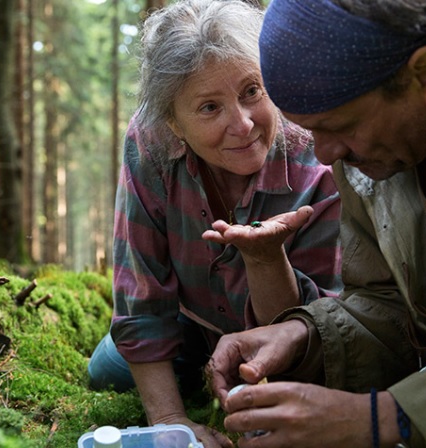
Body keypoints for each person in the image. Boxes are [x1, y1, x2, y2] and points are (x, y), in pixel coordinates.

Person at [208, 0, 426, 446]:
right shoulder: (376, 149)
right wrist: (305, 335)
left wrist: (383, 418)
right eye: (311, 131)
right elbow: (389, 302)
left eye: (339, 126)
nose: (327, 154)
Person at [86, 1, 343, 447]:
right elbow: (141, 297)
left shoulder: (316, 154)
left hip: (290, 337)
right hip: (189, 323)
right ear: (174, 123)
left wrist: (265, 259)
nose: (241, 125)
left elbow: (318, 325)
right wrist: (170, 420)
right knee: (107, 372)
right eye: (209, 107)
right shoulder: (149, 142)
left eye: (252, 91)